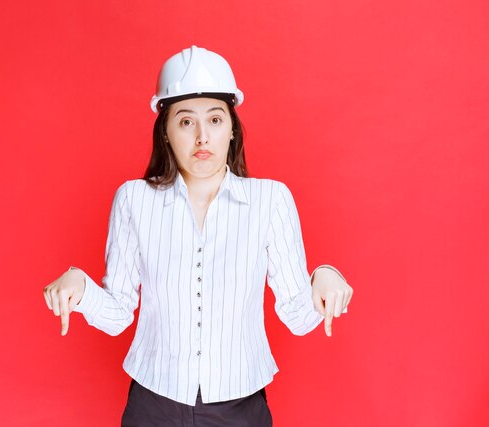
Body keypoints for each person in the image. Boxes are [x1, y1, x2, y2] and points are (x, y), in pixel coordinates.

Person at [43, 45, 353, 427]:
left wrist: (324, 276)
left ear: (233, 129)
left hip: (241, 407)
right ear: (167, 132)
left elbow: (296, 314)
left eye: (216, 120)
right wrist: (82, 286)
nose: (203, 137)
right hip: (154, 404)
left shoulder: (271, 199)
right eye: (187, 122)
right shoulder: (134, 200)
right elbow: (118, 315)